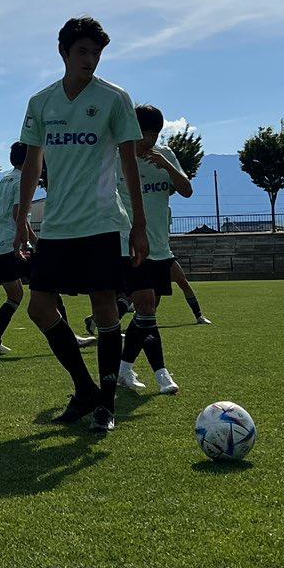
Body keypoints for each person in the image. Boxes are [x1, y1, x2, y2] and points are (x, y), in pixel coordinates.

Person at [16, 16, 150, 434]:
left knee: (104, 308)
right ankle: (84, 387)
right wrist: (22, 217)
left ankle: (106, 405)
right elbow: (31, 163)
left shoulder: (114, 99)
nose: (90, 60)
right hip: (56, 225)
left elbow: (130, 164)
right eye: (83, 52)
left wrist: (140, 225)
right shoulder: (41, 103)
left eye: (96, 52)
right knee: (39, 307)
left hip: (101, 222)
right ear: (64, 53)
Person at [118, 104, 191, 396]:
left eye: (154, 134)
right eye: (144, 134)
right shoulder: (117, 156)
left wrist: (167, 165)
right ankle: (162, 374)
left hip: (161, 247)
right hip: (132, 245)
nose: (149, 141)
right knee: (146, 306)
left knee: (145, 315)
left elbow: (186, 190)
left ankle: (124, 368)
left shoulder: (165, 155)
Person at [0, 143, 34, 355]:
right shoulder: (23, 179)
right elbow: (18, 215)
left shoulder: (3, 180)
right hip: (11, 243)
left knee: (15, 295)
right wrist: (33, 240)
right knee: (45, 286)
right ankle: (69, 336)